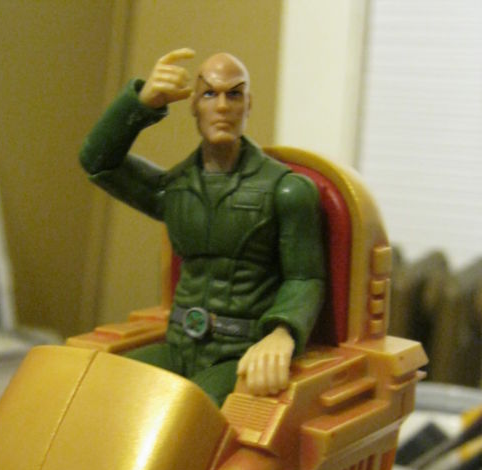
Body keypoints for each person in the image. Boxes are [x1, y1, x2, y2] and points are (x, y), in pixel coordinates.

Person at [80, 49, 325, 406]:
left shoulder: (286, 191)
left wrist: (281, 333)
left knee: (189, 414)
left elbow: (305, 277)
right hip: (179, 345)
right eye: (209, 93)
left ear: (248, 105)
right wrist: (142, 103)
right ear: (193, 104)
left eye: (234, 94)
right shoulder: (174, 189)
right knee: (97, 386)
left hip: (239, 354)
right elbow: (97, 161)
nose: (222, 106)